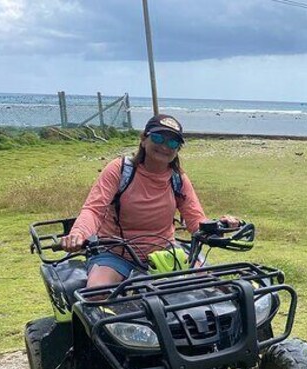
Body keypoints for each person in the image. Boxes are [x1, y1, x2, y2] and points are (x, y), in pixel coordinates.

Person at [60, 114, 237, 287]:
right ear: (144, 139)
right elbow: (94, 210)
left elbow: (196, 221)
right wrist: (79, 233)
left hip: (165, 253)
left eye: (173, 142)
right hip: (116, 254)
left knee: (210, 286)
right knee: (96, 294)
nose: (165, 146)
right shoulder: (120, 170)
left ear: (177, 150)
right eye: (159, 138)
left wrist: (219, 225)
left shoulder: (178, 179)